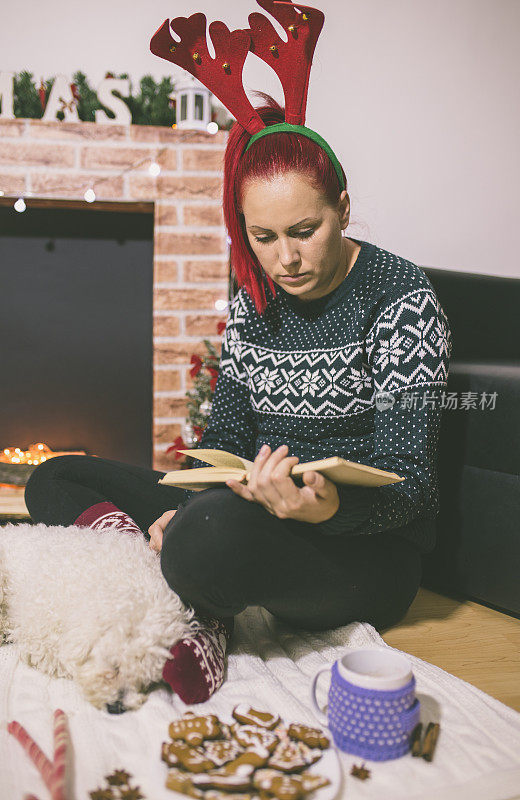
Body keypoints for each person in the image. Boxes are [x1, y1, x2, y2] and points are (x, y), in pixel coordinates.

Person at [24, 93, 452, 708]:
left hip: (365, 553)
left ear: (345, 210)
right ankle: (162, 563)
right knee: (54, 478)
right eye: (264, 237)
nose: (286, 258)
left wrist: (325, 510)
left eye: (306, 231)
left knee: (208, 539)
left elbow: (414, 490)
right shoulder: (256, 295)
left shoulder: (401, 299)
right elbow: (225, 431)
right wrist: (192, 499)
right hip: (246, 509)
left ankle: (195, 598)